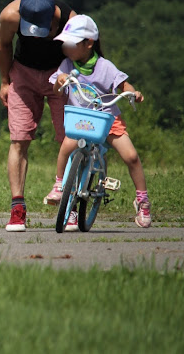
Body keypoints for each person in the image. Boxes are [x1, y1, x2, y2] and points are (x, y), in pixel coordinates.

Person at [49, 15, 151, 229]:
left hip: (107, 119)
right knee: (67, 148)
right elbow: (56, 86)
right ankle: (59, 187)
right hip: (81, 120)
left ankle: (142, 201)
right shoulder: (67, 64)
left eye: (71, 43)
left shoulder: (105, 67)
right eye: (64, 43)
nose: (66, 48)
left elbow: (124, 86)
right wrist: (60, 80)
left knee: (131, 156)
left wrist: (133, 93)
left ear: (89, 43)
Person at [0, 0, 76, 232]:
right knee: (19, 139)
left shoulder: (69, 20)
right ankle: (17, 209)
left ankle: (70, 205)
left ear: (53, 14)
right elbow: (4, 46)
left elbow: (85, 52)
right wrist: (4, 81)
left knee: (70, 139)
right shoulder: (10, 15)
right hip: (23, 74)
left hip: (60, 75)